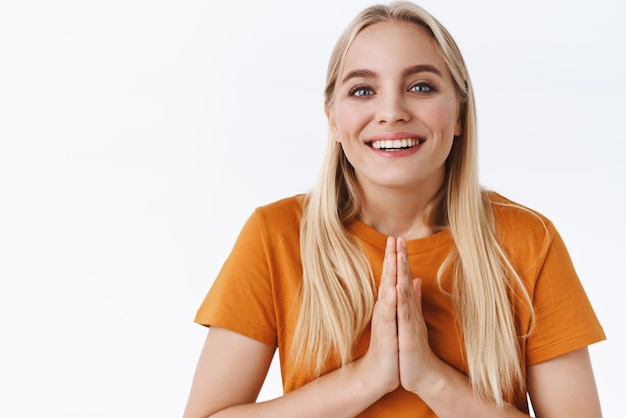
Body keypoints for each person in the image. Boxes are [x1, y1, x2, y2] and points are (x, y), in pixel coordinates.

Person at [183, 2, 605, 417]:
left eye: (420, 87)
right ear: (332, 118)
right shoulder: (274, 235)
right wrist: (368, 378)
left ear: (459, 112)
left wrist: (431, 378)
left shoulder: (528, 240)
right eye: (363, 90)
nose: (391, 113)